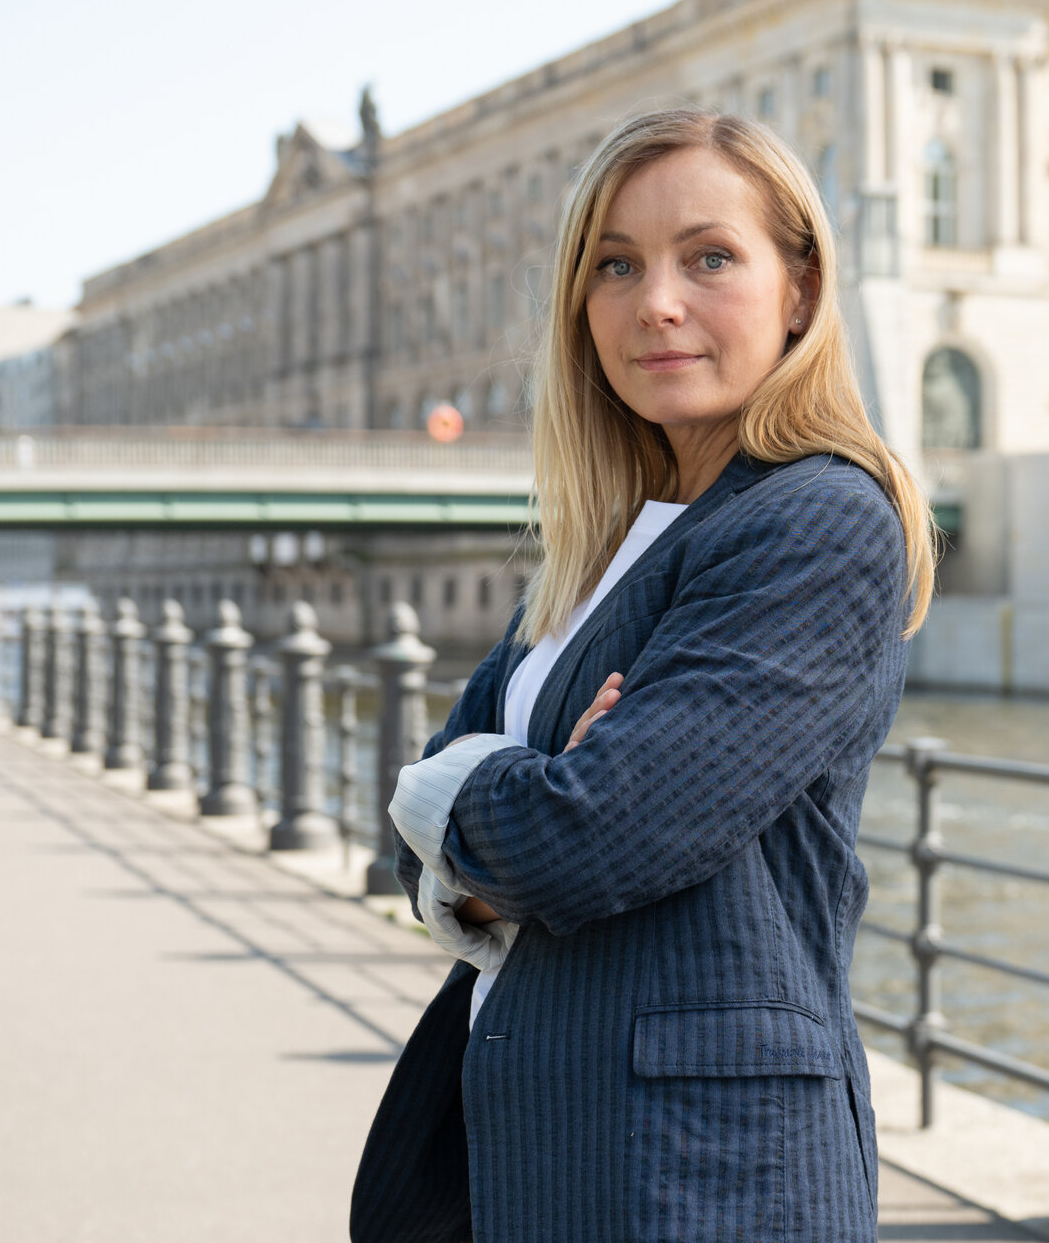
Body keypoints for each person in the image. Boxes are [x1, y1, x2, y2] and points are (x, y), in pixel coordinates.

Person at [348, 108, 937, 1243]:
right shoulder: (607, 541)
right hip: (526, 1148)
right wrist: (494, 825)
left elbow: (589, 836)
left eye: (709, 258)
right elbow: (424, 850)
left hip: (700, 1179)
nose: (655, 301)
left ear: (802, 292)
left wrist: (476, 801)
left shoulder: (817, 519)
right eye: (615, 265)